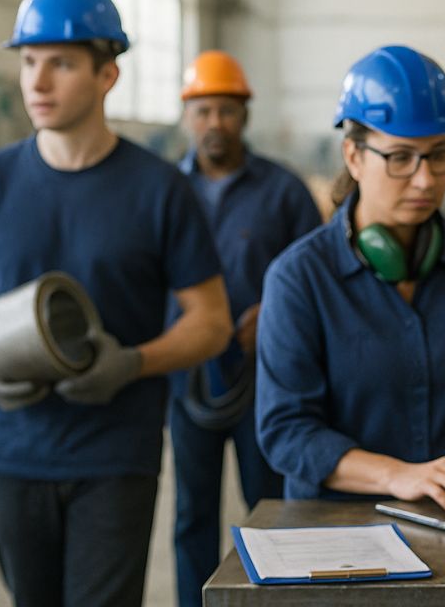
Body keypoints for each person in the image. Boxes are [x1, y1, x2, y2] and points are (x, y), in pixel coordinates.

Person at [0, 0, 232, 607]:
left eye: (60, 64)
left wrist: (135, 363)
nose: (35, 82)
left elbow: (212, 320)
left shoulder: (159, 190)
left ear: (107, 75)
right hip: (13, 453)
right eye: (29, 61)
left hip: (117, 454)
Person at [256, 45, 445, 511]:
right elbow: (286, 433)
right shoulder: (300, 278)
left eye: (438, 156)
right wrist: (398, 476)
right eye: (401, 158)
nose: (425, 180)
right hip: (336, 526)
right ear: (353, 156)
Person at [168, 50, 322, 607]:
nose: (215, 123)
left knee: (269, 509)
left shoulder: (283, 192)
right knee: (193, 513)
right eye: (204, 111)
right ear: (188, 116)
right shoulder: (166, 191)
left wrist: (276, 314)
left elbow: (320, 277)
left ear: (244, 116)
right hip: (189, 379)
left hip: (266, 381)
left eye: (226, 112)